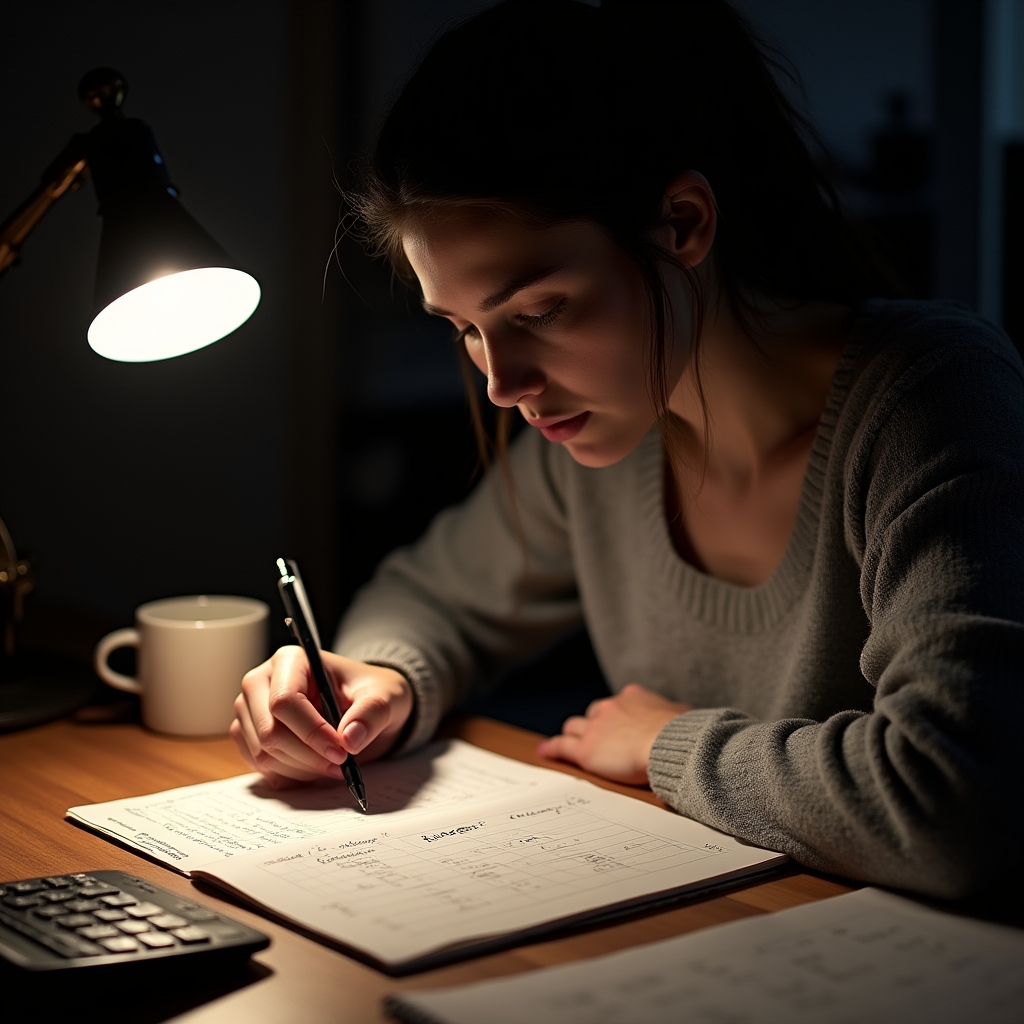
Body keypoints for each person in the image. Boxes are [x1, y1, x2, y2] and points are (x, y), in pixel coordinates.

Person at [231, 0, 1024, 900]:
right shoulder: (615, 432)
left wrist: (666, 743)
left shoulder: (930, 398)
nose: (502, 381)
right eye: (464, 328)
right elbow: (428, 597)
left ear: (682, 224)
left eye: (540, 311)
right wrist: (376, 681)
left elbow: (963, 800)